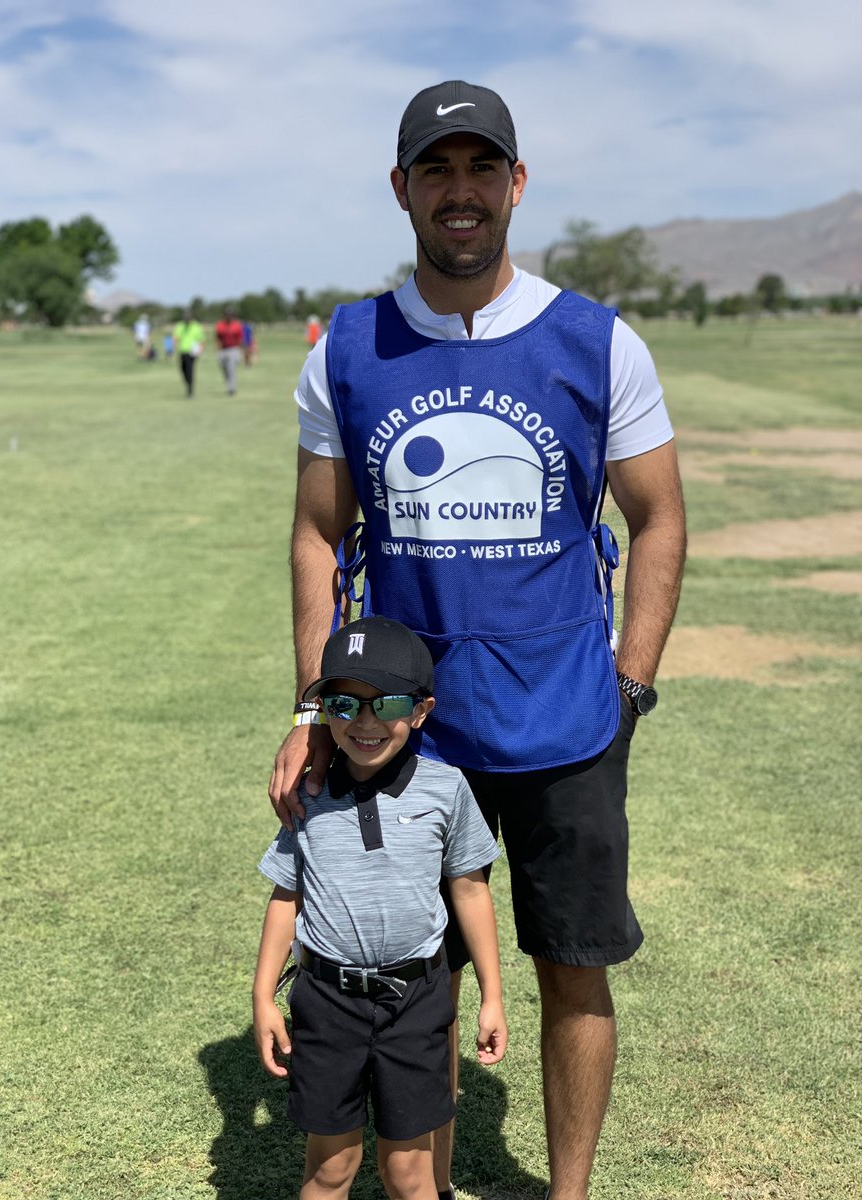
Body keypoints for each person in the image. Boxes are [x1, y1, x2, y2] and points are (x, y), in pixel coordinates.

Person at [269, 80, 687, 1200]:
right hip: (405, 731)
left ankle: (568, 1194)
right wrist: (316, 709)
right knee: (422, 980)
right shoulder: (347, 347)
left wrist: (631, 685)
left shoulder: (597, 341)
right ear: (402, 188)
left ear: (517, 183)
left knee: (574, 969)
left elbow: (658, 517)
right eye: (438, 169)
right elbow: (317, 535)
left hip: (568, 720)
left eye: (482, 167)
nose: (462, 191)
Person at [255, 616, 506, 1200]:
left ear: (420, 711)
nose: (365, 723)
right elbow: (286, 895)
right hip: (326, 1001)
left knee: (409, 1174)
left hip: (416, 1003)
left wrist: (491, 995)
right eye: (344, 704)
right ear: (325, 712)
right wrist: (263, 996)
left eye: (386, 703)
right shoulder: (307, 796)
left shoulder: (447, 789)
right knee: (330, 1169)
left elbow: (471, 890)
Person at [172, 308, 205, 398]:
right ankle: (188, 384)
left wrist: (201, 350)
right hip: (182, 351)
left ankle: (190, 389)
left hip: (192, 352)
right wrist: (174, 349)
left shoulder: (196, 326)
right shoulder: (180, 326)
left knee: (190, 370)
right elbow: (176, 338)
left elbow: (201, 339)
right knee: (183, 369)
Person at [215, 305, 244, 395]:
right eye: (227, 314)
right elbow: (217, 337)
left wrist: (240, 351)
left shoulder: (237, 325)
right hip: (223, 350)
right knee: (225, 370)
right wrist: (218, 349)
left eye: (230, 314)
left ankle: (231, 388)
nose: (228, 316)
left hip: (233, 349)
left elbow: (240, 339)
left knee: (231, 369)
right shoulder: (220, 325)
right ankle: (229, 385)